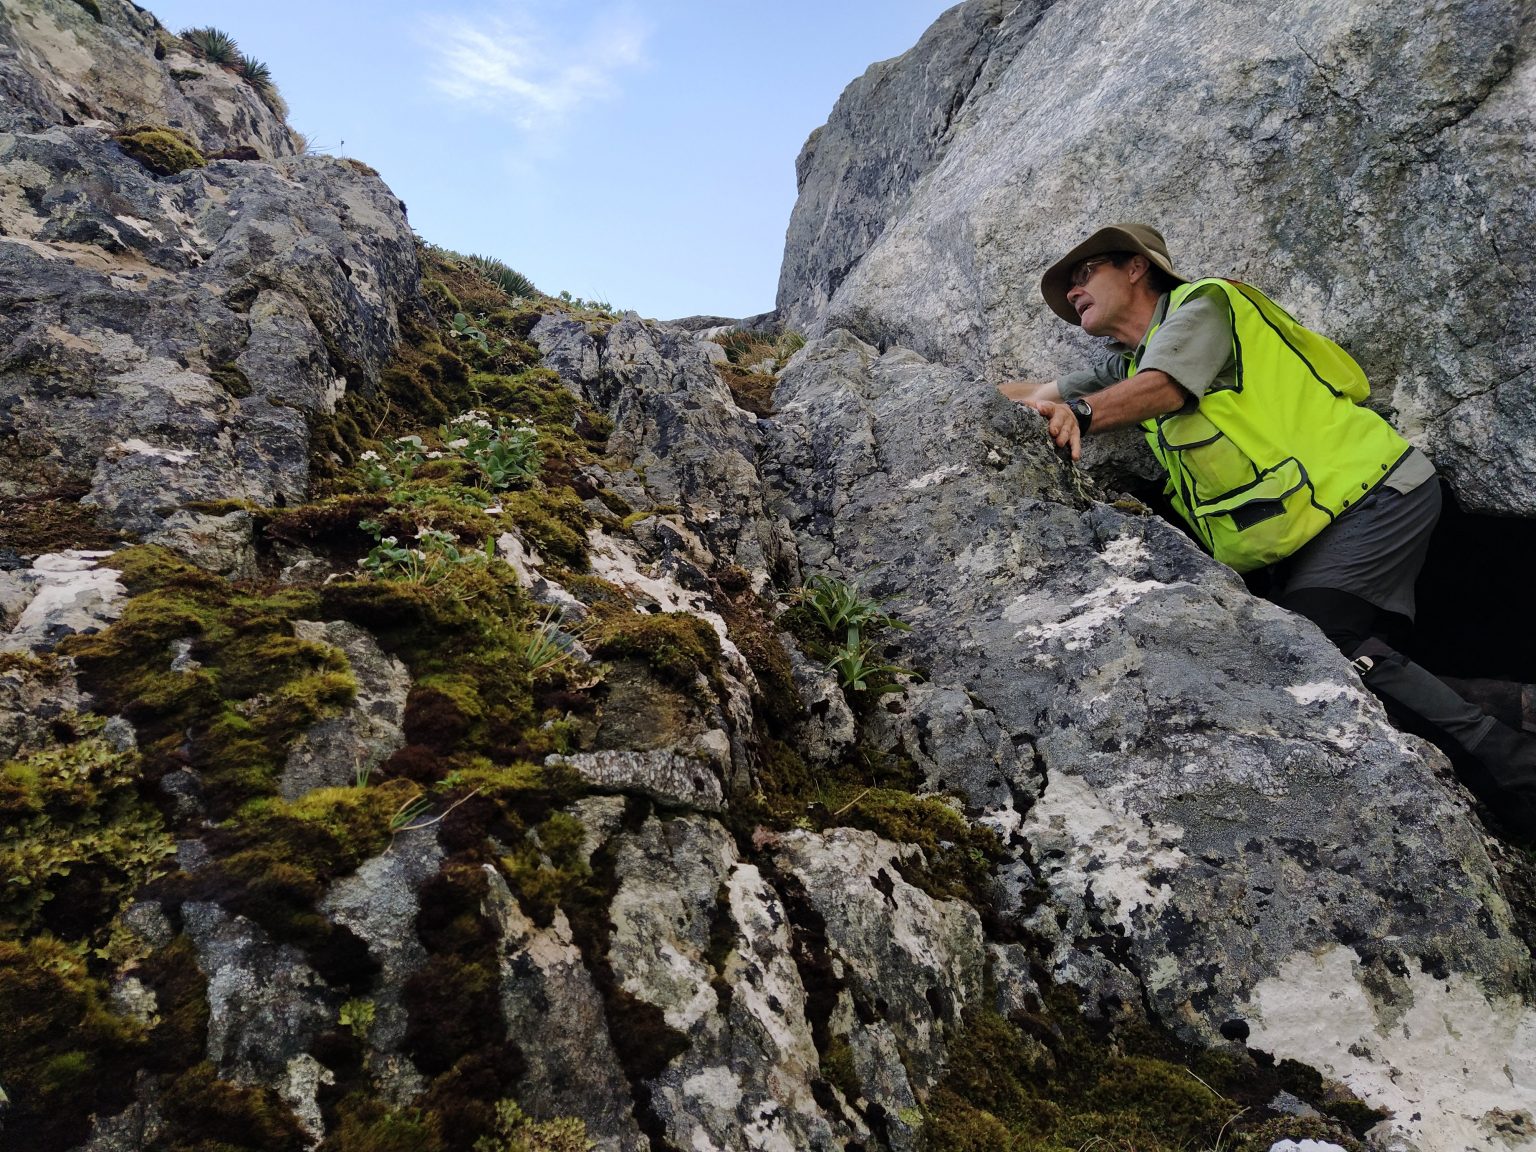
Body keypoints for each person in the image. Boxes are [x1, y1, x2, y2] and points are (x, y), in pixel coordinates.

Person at [1003, 223, 1536, 833]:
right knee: (1304, 663)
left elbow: (1167, 388)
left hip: (1373, 492)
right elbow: (1033, 396)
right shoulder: (1125, 363)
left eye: (1084, 272)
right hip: (1314, 530)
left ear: (1134, 268)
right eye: (1066, 283)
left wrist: (1082, 413)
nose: (1072, 290)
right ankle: (1515, 707)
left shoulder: (1205, 305)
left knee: (1317, 646)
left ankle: (1517, 765)